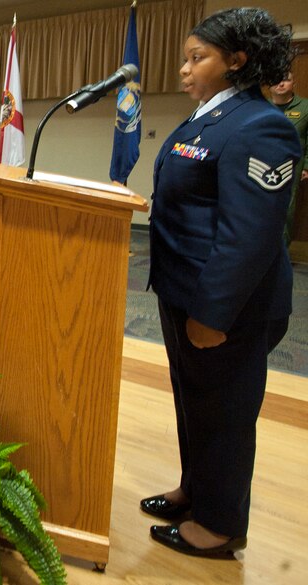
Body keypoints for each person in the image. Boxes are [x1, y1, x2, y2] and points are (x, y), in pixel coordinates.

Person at [143, 8, 300, 557]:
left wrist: (212, 314)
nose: (185, 70)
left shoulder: (263, 126)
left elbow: (248, 237)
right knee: (194, 402)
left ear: (237, 61)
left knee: (226, 413)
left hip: (228, 305)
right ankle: (196, 489)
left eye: (197, 58)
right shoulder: (206, 119)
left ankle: (220, 523)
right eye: (185, 58)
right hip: (183, 289)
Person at [268, 73, 308, 245]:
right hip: (261, 164)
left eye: (286, 79)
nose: (281, 83)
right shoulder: (261, 107)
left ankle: (281, 253)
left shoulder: (305, 107)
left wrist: (307, 165)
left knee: (286, 208)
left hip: (292, 165)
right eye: (276, 79)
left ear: (294, 82)